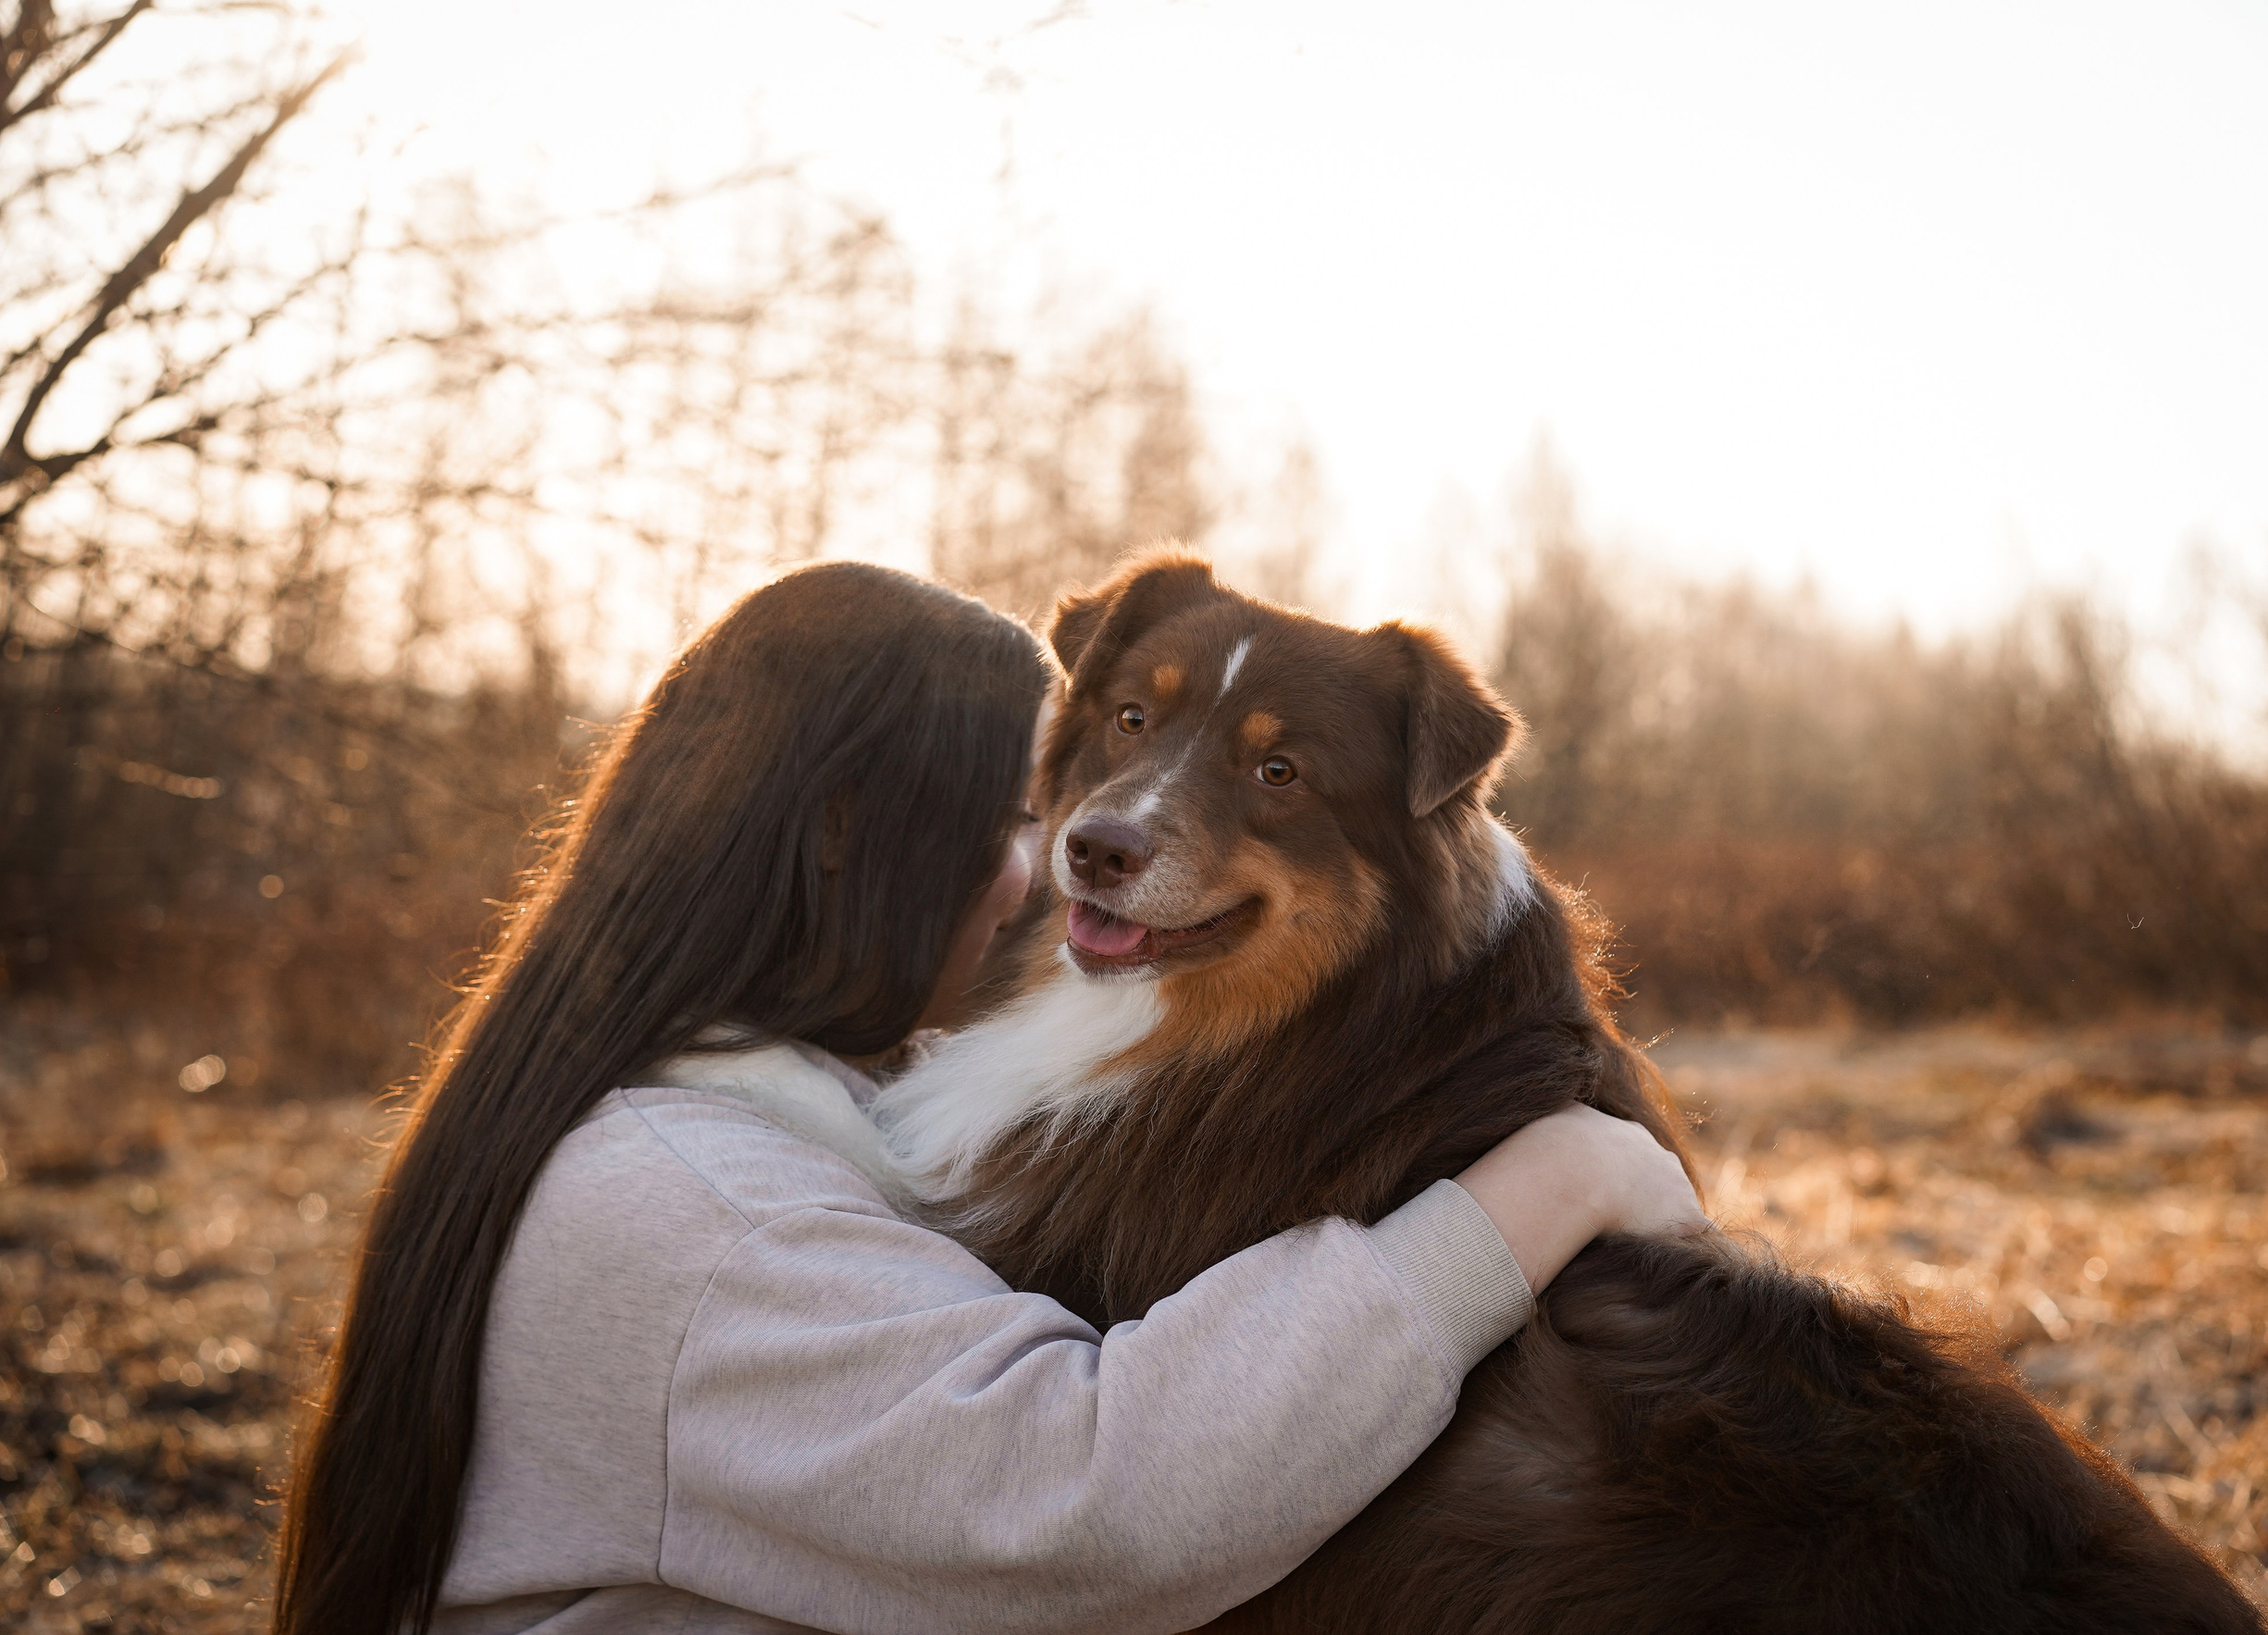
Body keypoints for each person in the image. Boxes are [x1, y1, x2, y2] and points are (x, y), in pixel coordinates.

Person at [274, 562, 1704, 1635]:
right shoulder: (701, 1219)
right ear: (842, 839)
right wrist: (1542, 1191)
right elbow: (1094, 1502)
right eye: (1019, 820)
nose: (1057, 859)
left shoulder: (718, 1113)